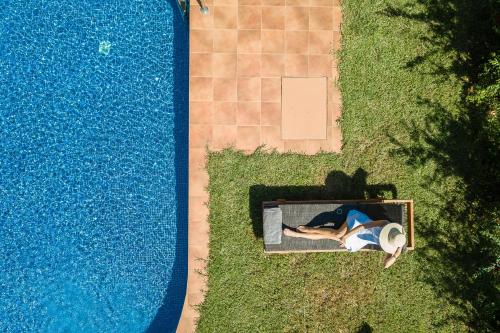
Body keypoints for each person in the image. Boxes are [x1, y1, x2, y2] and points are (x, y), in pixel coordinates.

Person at [283, 209, 406, 268]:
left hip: (359, 239)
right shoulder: (385, 224)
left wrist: (395, 255)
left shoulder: (394, 246)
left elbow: (385, 265)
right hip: (358, 222)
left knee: (335, 237)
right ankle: (305, 231)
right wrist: (346, 236)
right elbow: (363, 226)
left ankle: (303, 232)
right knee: (338, 235)